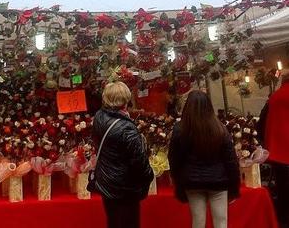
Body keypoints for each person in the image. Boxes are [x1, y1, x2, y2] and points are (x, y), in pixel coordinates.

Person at [168, 90, 240, 228]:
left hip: (192, 182)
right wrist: (234, 187)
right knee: (221, 222)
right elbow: (231, 161)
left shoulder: (180, 129)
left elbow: (174, 159)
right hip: (218, 181)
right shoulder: (220, 128)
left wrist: (178, 182)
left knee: (198, 222)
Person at [92, 81, 153, 228]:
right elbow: (139, 161)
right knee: (128, 222)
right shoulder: (126, 128)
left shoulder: (99, 117)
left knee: (113, 221)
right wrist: (149, 175)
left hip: (106, 181)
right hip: (124, 187)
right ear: (125, 100)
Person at [257, 71, 289, 227]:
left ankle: (282, 218)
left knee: (283, 187)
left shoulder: (275, 96)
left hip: (277, 151)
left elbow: (262, 121)